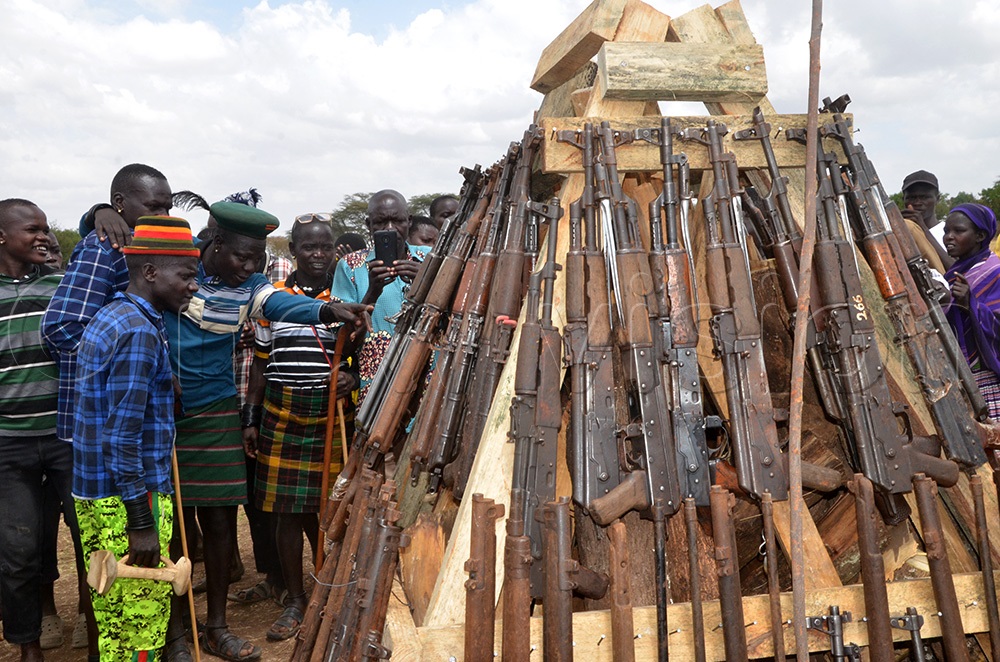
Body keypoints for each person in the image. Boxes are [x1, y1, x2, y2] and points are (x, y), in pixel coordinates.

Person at [166, 201, 369, 662]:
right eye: (240, 255)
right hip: (164, 414)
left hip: (215, 411)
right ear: (214, 246)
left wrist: (330, 310)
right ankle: (178, 634)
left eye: (256, 258)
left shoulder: (254, 287)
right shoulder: (178, 272)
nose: (248, 266)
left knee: (220, 524)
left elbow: (278, 302)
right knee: (173, 531)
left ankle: (216, 627)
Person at [72, 216, 200, 662]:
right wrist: (140, 523)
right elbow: (121, 437)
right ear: (150, 272)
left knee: (116, 626)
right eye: (185, 276)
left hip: (98, 494)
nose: (192, 287)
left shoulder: (115, 314)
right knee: (139, 630)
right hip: (129, 499)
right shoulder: (140, 333)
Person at [242, 219, 357, 641]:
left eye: (325, 247)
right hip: (281, 412)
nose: (318, 254)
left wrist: (354, 378)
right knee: (286, 514)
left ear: (335, 249)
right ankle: (295, 598)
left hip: (330, 414)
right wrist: (251, 419)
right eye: (309, 247)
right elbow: (260, 363)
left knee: (328, 512)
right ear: (294, 249)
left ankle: (328, 589)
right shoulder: (273, 302)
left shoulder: (347, 297)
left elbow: (364, 355)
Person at [0, 199, 82, 662]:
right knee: (17, 552)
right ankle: (28, 645)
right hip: (8, 444)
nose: (44, 237)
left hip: (66, 437)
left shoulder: (60, 288)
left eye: (46, 229)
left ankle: (98, 632)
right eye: (32, 228)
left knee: (91, 539)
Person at [331, 190, 428, 401]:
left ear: (409, 221)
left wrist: (427, 281)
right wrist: (371, 294)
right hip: (376, 392)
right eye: (381, 222)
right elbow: (342, 344)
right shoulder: (350, 267)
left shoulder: (430, 259)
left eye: (398, 221)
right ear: (369, 225)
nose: (391, 229)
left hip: (427, 385)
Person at [943, 203, 1000, 419]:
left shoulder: (994, 272)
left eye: (958, 231)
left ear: (980, 235)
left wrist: (971, 304)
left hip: (987, 379)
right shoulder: (954, 273)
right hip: (958, 377)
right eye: (946, 231)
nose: (949, 237)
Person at [901, 170, 952, 269]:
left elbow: (956, 269)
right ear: (904, 200)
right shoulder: (900, 232)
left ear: (937, 199)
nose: (917, 202)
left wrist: (923, 229)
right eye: (911, 198)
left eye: (924, 197)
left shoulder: (950, 232)